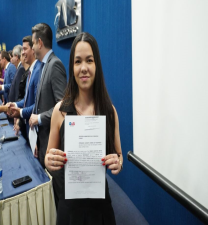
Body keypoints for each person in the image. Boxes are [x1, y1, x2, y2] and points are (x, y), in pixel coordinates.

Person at [44, 32, 123, 224]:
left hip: (100, 206)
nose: (84, 68)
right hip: (69, 206)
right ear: (72, 67)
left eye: (89, 60)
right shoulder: (59, 111)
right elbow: (48, 155)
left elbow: (118, 155)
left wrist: (118, 162)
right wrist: (49, 160)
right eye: (78, 61)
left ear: (97, 65)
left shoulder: (109, 111)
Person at [29, 23, 67, 167]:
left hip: (52, 144)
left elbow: (63, 108)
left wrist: (38, 118)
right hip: (43, 139)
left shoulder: (55, 65)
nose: (32, 48)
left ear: (39, 43)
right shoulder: (43, 65)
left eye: (33, 43)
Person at [8, 35, 42, 139]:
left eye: (25, 49)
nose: (22, 53)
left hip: (36, 130)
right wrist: (15, 104)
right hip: (29, 129)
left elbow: (38, 105)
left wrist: (20, 112)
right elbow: (26, 100)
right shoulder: (31, 71)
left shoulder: (38, 71)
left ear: (33, 50)